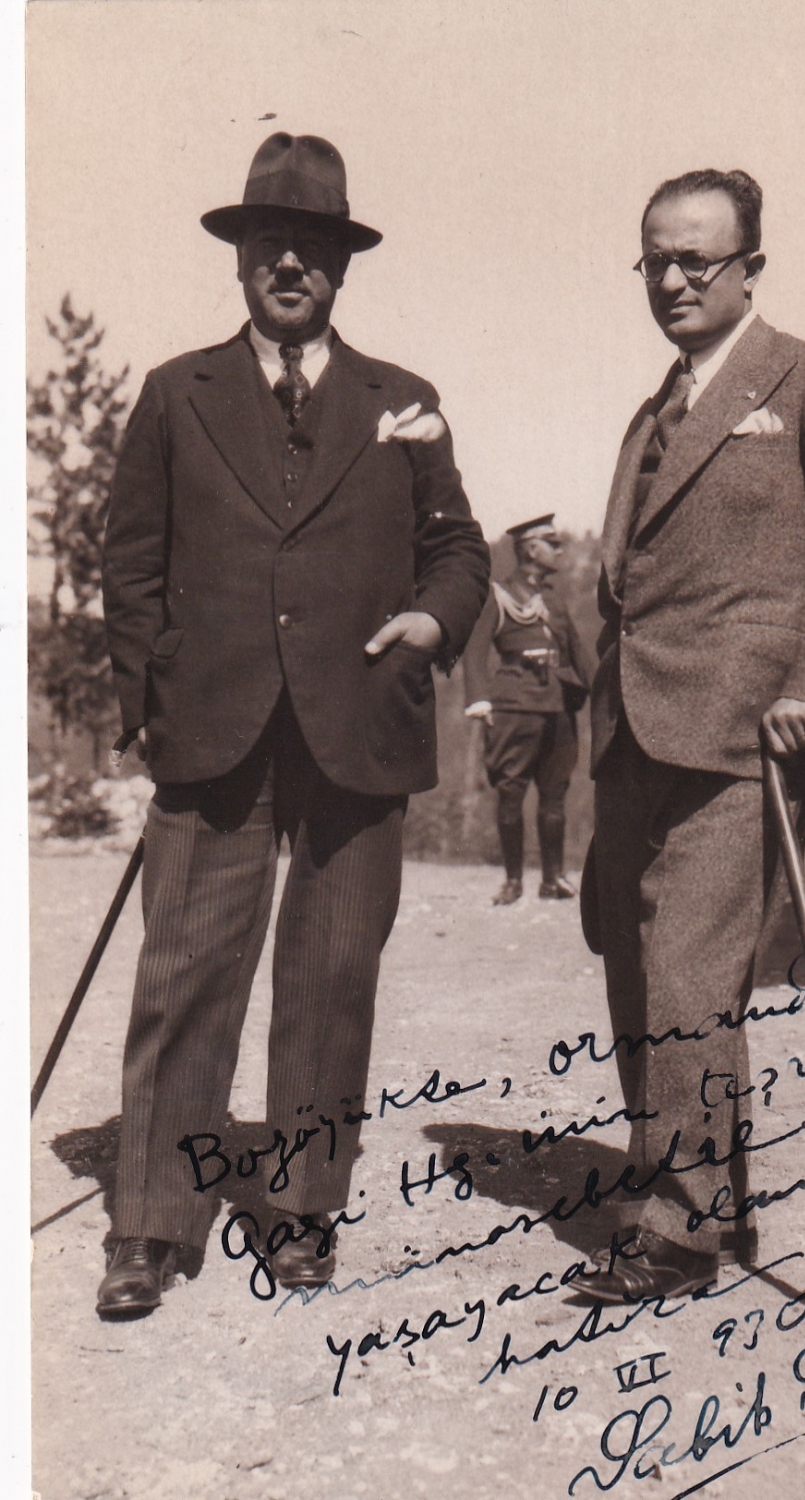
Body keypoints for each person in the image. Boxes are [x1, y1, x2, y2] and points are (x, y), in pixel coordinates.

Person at [98, 133, 490, 1315]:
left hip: (358, 728)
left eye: (311, 247)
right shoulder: (175, 393)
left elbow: (458, 551)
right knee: (183, 976)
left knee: (331, 980)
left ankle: (305, 1209)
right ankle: (150, 1223)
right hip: (211, 734)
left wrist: (430, 623)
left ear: (341, 267)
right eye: (269, 241)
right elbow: (130, 561)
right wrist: (152, 699)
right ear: (239, 259)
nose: (288, 264)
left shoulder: (403, 401)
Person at [572, 169, 805, 1303]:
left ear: (750, 269)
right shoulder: (649, 414)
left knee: (689, 976)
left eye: (698, 259)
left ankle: (677, 1232)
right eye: (655, 260)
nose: (672, 279)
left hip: (741, 741)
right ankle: (700, 1195)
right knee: (640, 975)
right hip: (633, 733)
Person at [463, 515, 593, 904]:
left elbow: (578, 654)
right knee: (511, 793)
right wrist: (479, 699)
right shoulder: (499, 594)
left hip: (558, 706)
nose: (559, 550)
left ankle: (553, 880)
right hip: (514, 705)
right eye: (552, 544)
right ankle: (513, 881)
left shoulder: (554, 599)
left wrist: (605, 692)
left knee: (555, 794)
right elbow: (475, 651)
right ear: (531, 549)